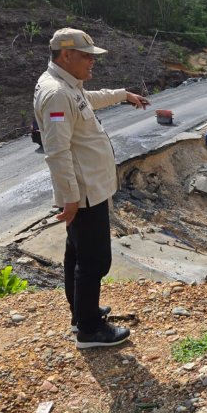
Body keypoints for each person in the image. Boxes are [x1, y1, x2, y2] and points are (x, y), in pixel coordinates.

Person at [34, 28, 150, 349]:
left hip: (88, 189)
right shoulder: (56, 93)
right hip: (84, 193)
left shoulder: (68, 87)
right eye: (87, 56)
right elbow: (56, 152)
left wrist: (123, 95)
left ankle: (80, 313)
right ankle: (89, 329)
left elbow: (89, 101)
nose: (92, 62)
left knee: (77, 253)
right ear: (66, 55)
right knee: (95, 259)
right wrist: (70, 199)